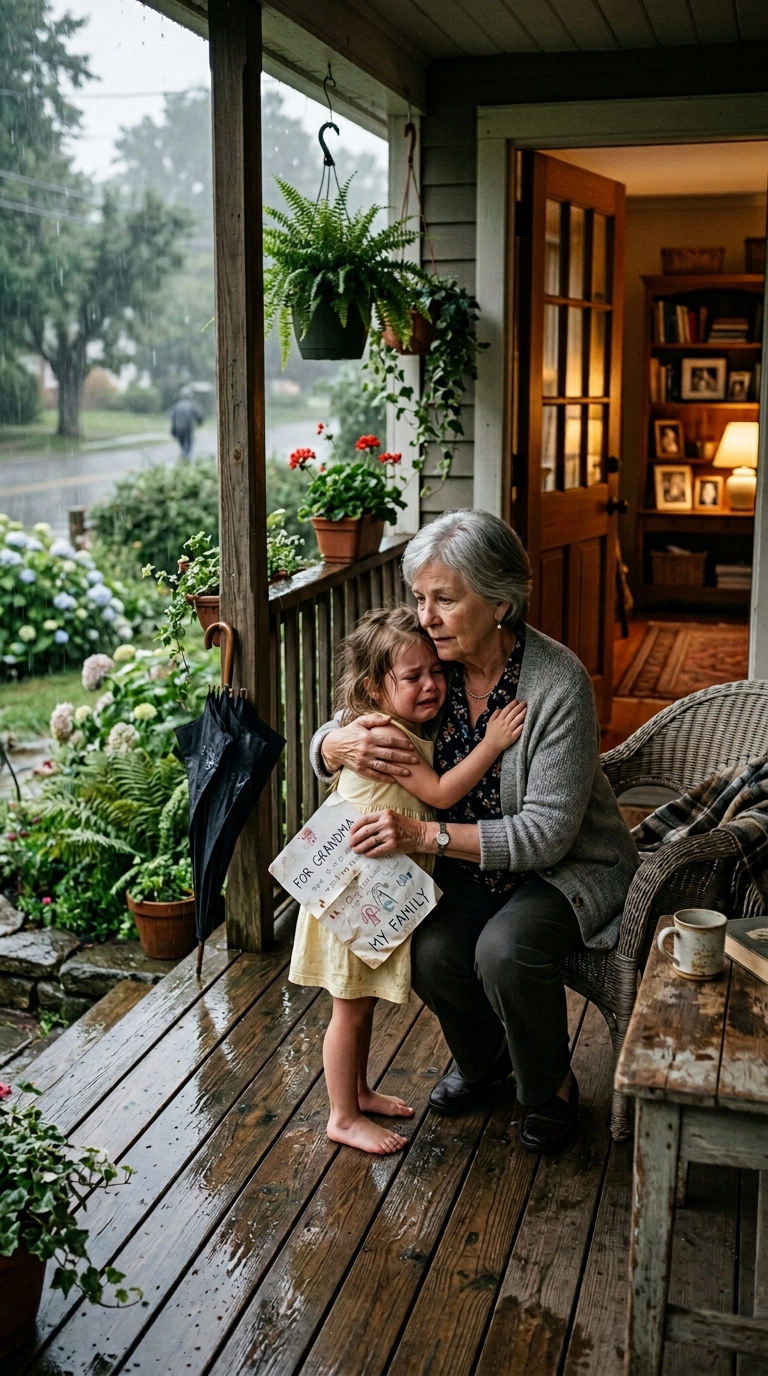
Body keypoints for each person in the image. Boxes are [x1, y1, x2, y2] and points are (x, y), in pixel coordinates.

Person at [310, 510, 639, 1156]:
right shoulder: (437, 664)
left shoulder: (556, 682)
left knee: (503, 949)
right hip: (470, 865)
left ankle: (549, 1090)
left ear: (499, 603)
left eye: (445, 600)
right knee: (428, 945)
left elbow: (546, 835)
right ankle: (488, 1060)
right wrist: (333, 743)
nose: (426, 617)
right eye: (420, 598)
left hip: (565, 868)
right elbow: (362, 709)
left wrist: (423, 838)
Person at [289, 605, 527, 1155]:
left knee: (361, 1001)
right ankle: (342, 1116)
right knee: (347, 1007)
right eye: (412, 677)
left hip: (368, 885)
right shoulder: (385, 735)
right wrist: (491, 744)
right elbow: (441, 794)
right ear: (375, 687)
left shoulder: (397, 723)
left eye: (435, 672)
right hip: (351, 889)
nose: (431, 685)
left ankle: (359, 1091)